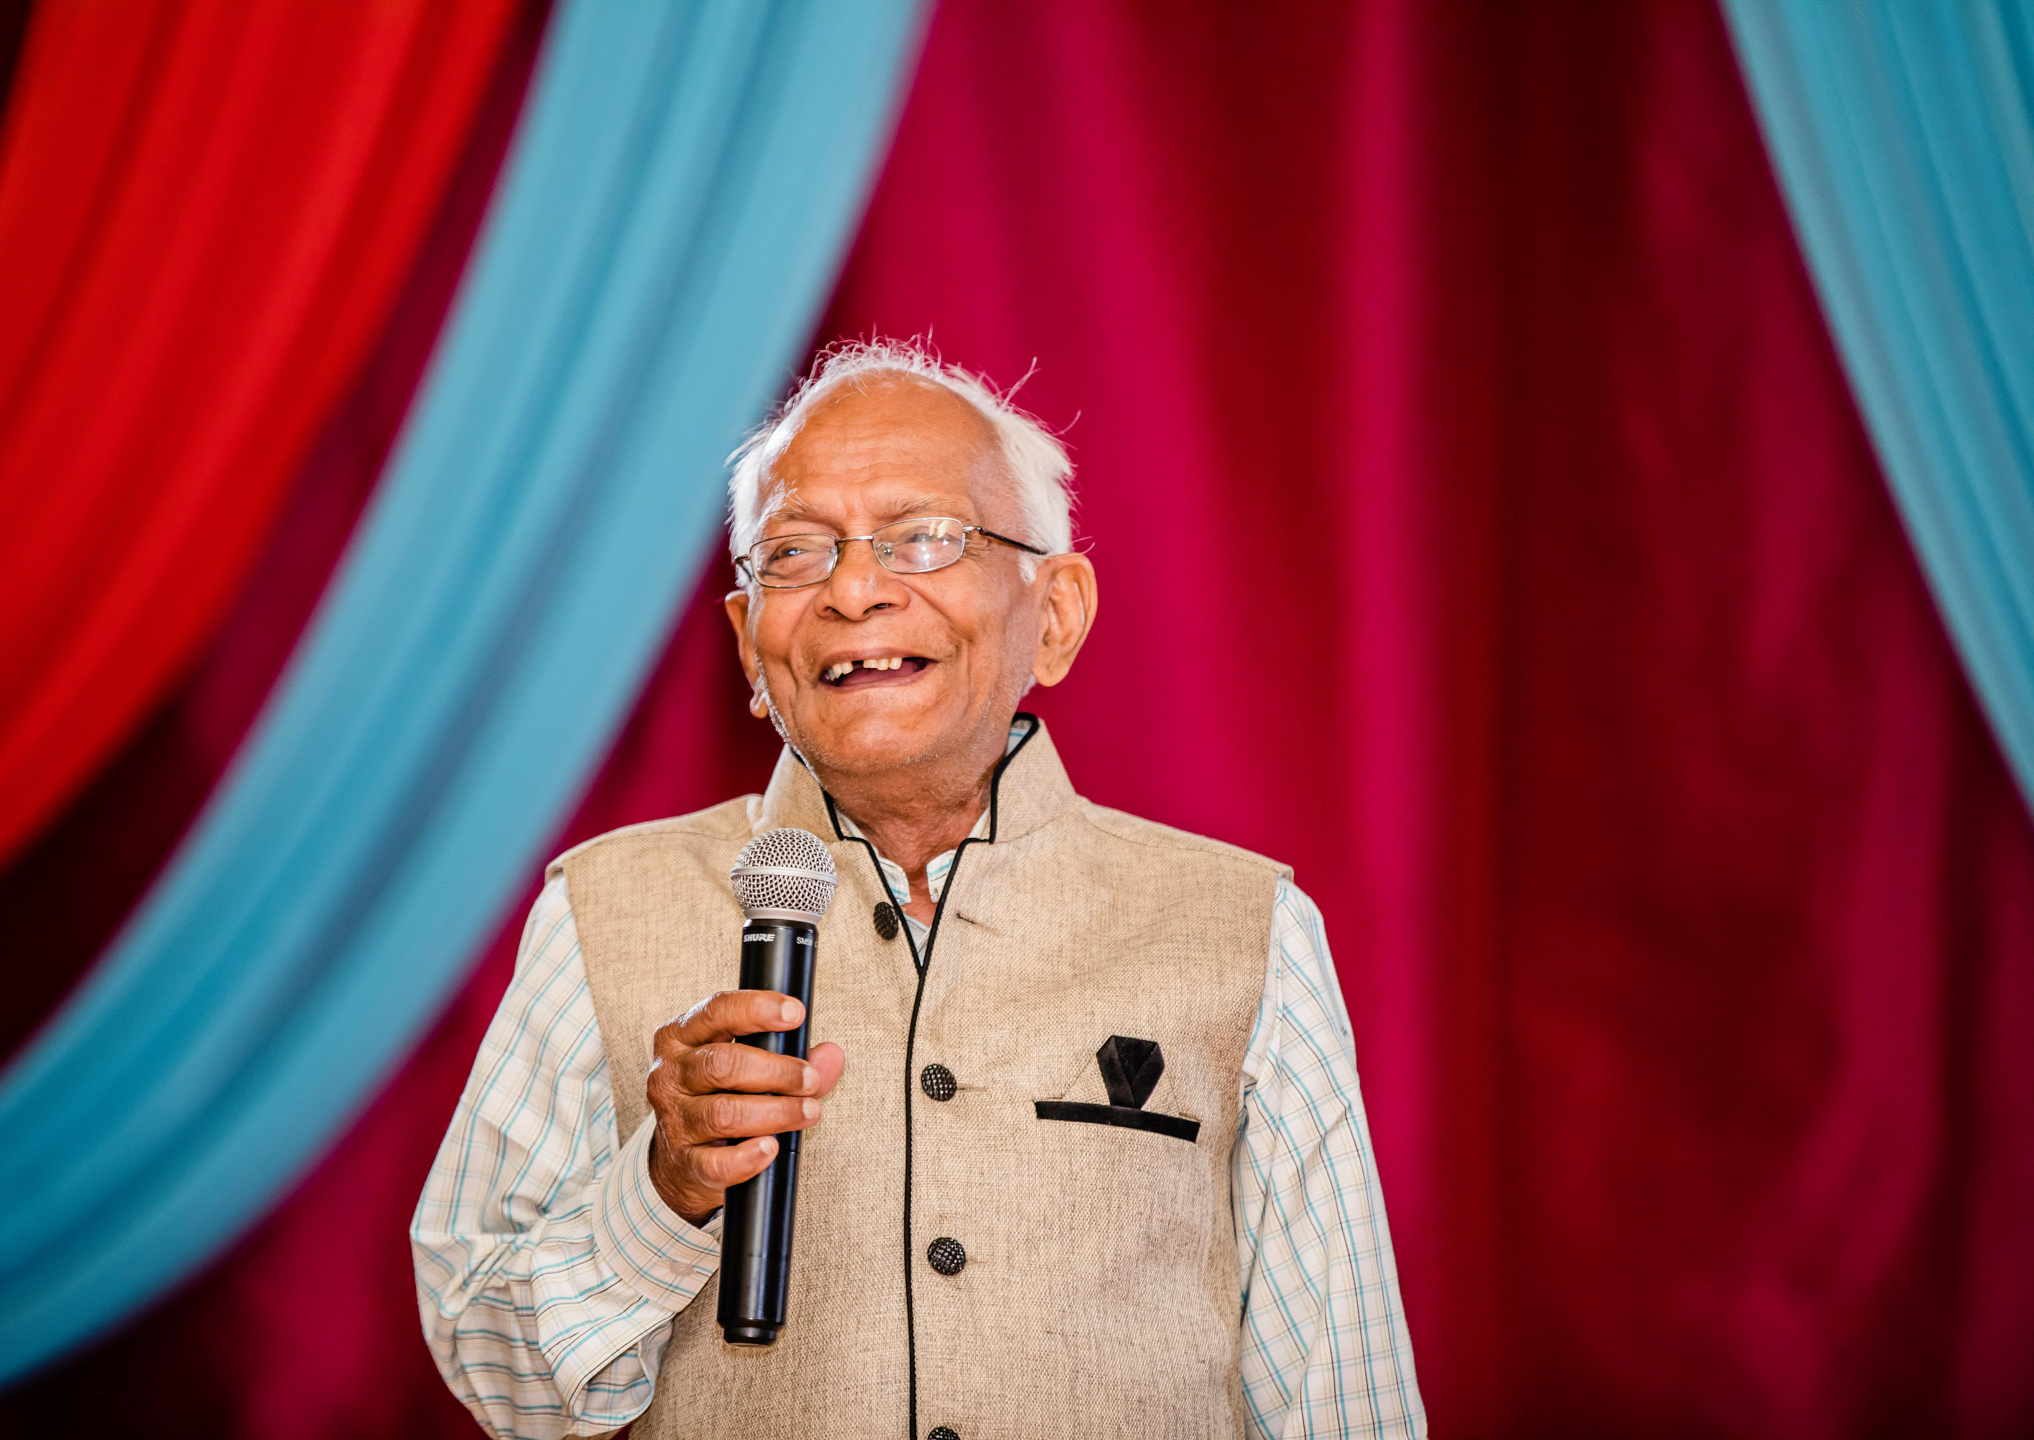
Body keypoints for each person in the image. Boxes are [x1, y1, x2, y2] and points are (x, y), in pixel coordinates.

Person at [412, 340, 1425, 1439]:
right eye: (795, 552)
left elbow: (1344, 1403)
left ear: (1056, 614)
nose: (853, 589)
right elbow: (495, 1374)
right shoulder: (601, 910)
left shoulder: (1245, 929)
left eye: (924, 538)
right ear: (751, 649)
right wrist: (660, 1192)